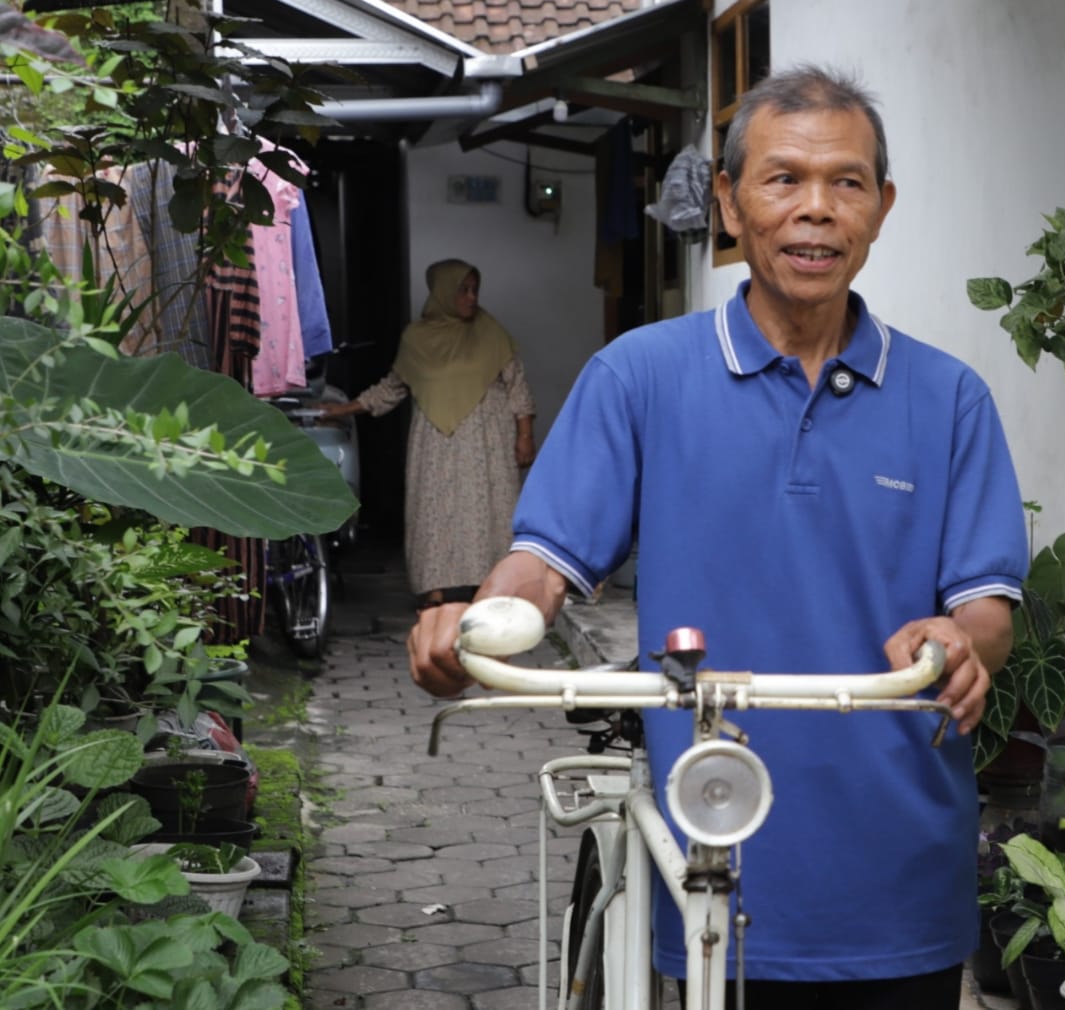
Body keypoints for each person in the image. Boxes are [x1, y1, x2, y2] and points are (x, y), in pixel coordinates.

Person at [410, 66, 1027, 1010]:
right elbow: (545, 563)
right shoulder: (640, 377)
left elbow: (984, 609)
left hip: (899, 878)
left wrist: (956, 640)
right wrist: (483, 625)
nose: (816, 211)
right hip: (709, 854)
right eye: (784, 180)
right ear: (731, 206)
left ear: (882, 207)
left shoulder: (949, 400)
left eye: (847, 183)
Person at [322, 259, 536, 608]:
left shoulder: (491, 331)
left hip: (487, 444)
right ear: (443, 293)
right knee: (437, 516)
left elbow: (517, 387)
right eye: (463, 290)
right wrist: (344, 410)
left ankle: (492, 587)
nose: (471, 298)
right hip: (437, 444)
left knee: (491, 515)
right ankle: (435, 589)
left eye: (474, 290)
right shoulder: (416, 338)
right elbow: (392, 388)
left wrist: (524, 434)